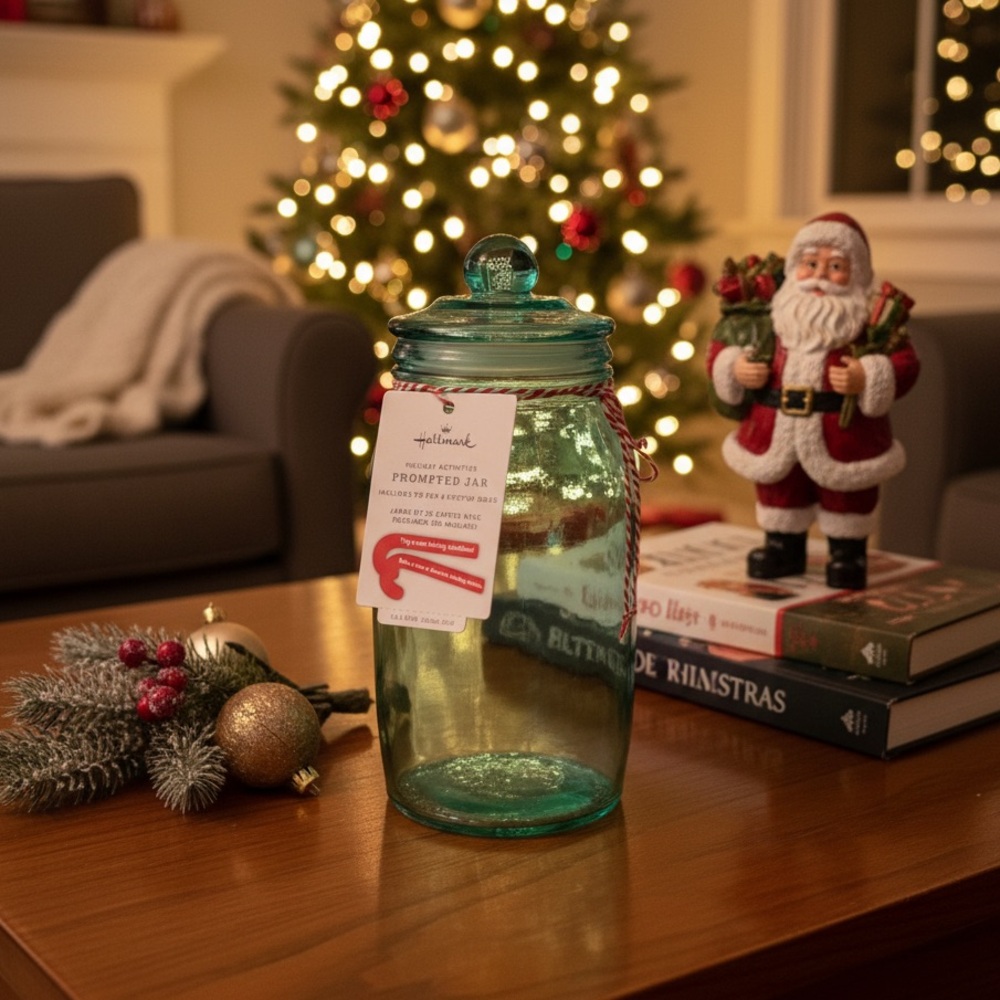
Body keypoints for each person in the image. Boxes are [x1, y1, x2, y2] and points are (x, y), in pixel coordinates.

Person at [707, 213, 920, 589]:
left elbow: (905, 363)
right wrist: (736, 367)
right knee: (779, 493)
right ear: (794, 269)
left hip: (844, 436)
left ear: (856, 274)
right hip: (775, 430)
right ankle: (782, 547)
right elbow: (723, 348)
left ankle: (847, 552)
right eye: (810, 264)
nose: (820, 275)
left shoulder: (871, 324)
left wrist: (869, 374)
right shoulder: (769, 319)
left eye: (836, 266)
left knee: (847, 495)